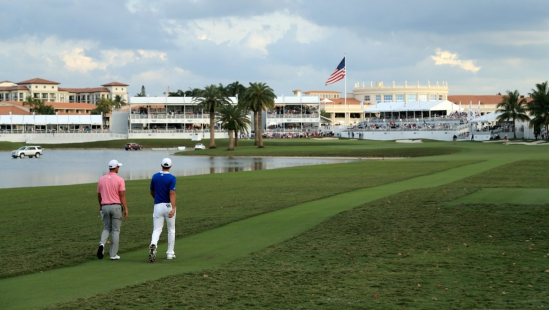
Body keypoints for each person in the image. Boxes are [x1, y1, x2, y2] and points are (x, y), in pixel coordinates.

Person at [97, 159, 128, 260]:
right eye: (118, 166)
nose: (119, 168)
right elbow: (122, 195)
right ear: (116, 168)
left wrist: (100, 205)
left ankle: (102, 244)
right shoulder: (120, 179)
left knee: (106, 228)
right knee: (115, 230)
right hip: (116, 207)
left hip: (105, 206)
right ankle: (113, 254)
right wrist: (126, 208)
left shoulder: (101, 179)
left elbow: (99, 194)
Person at [149, 158, 177, 262]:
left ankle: (153, 244)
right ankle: (170, 253)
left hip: (157, 206)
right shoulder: (172, 178)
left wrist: (156, 199)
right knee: (171, 229)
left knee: (157, 229)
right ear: (170, 166)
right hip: (168, 206)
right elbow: (172, 193)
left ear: (161, 165)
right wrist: (173, 208)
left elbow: (151, 191)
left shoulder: (155, 176)